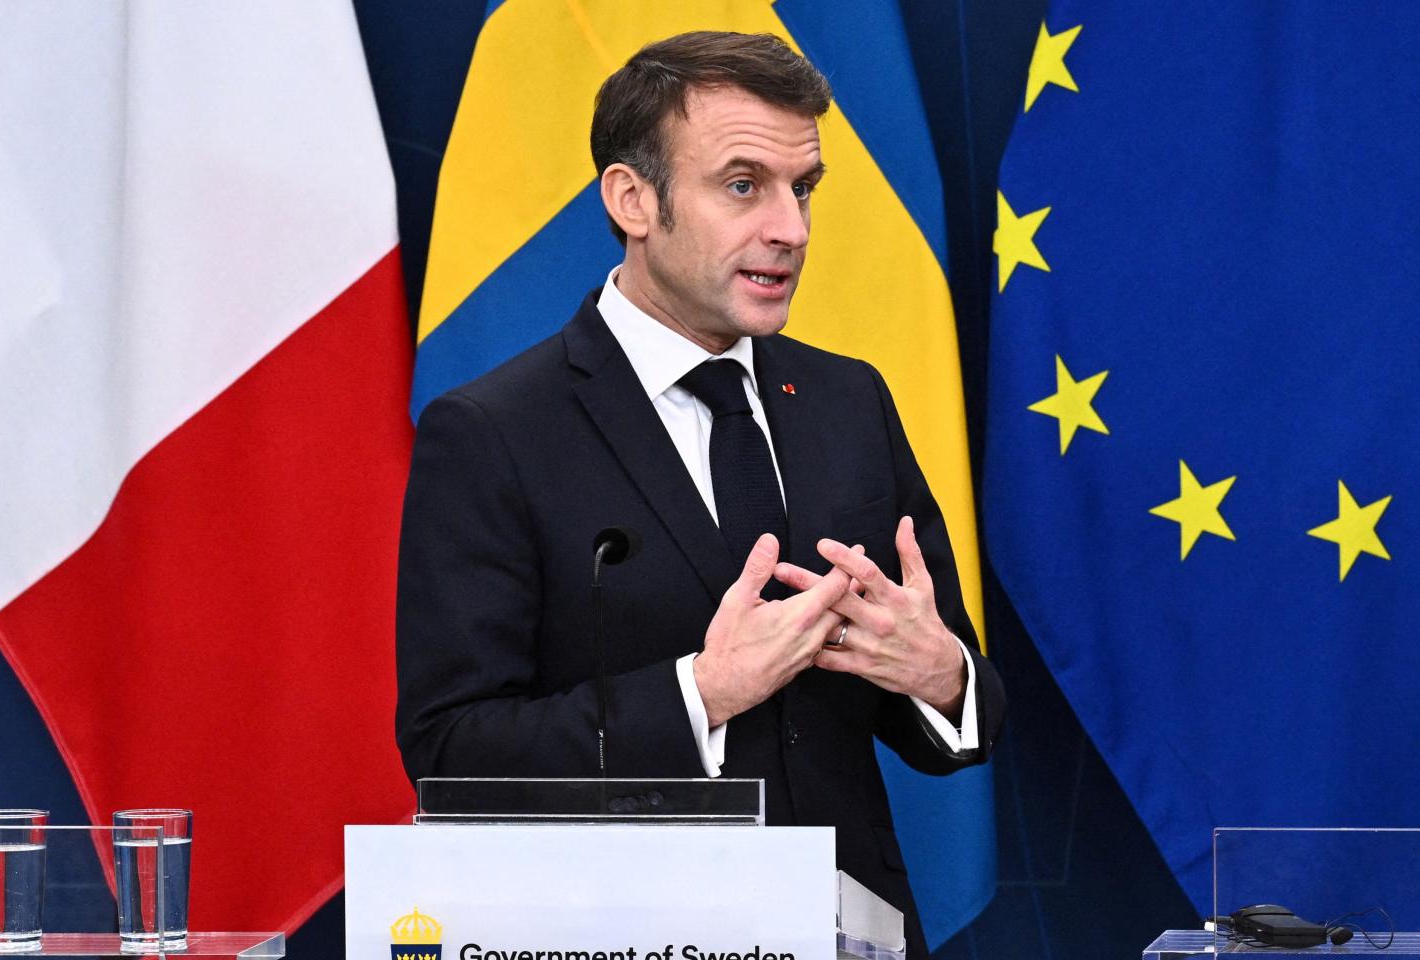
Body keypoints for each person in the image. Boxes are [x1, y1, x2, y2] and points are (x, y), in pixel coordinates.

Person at [395, 31, 1004, 956]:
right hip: (616, 932)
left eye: (803, 190)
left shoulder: (850, 402)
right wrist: (701, 694)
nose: (791, 230)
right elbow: (453, 754)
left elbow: (961, 718)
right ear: (633, 199)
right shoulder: (494, 433)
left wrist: (940, 676)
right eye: (742, 185)